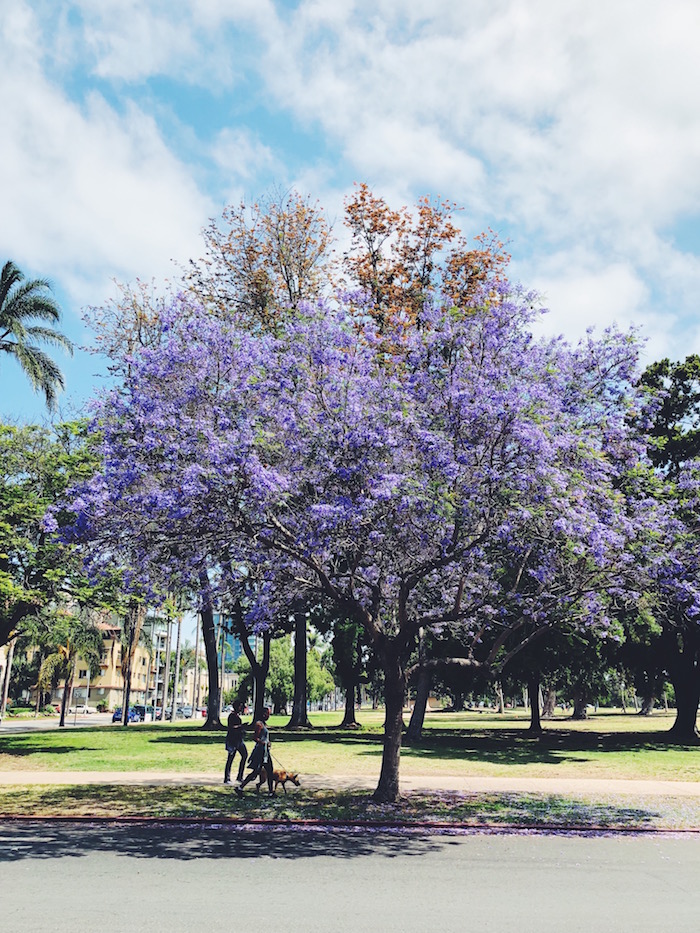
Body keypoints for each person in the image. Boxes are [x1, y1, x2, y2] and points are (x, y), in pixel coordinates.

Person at [235, 707, 274, 796]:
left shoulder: (264, 724)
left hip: (265, 752)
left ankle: (271, 792)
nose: (269, 716)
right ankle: (241, 787)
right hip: (260, 751)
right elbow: (255, 738)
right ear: (264, 714)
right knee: (256, 771)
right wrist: (263, 742)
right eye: (268, 714)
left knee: (269, 770)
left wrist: (268, 743)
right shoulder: (259, 724)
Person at [223, 700, 248, 784]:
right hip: (232, 740)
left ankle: (240, 776)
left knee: (244, 755)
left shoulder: (237, 716)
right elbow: (231, 727)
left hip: (239, 740)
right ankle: (227, 778)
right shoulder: (232, 716)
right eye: (240, 706)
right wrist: (241, 726)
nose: (241, 708)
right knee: (230, 759)